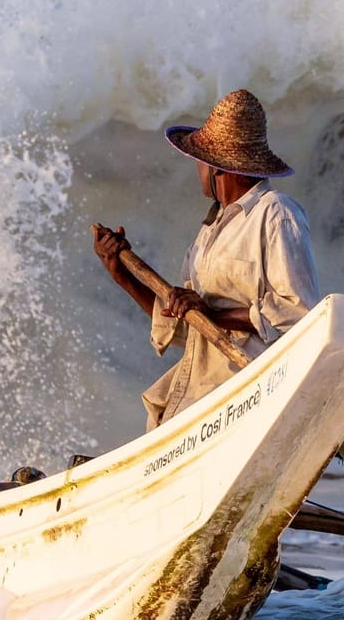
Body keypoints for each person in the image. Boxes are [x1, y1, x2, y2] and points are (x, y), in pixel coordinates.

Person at [93, 89, 320, 429]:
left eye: (199, 160)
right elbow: (185, 326)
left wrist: (214, 313)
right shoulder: (209, 234)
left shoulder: (275, 214)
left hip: (244, 394)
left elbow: (300, 314)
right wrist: (120, 273)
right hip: (195, 399)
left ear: (216, 167)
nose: (197, 169)